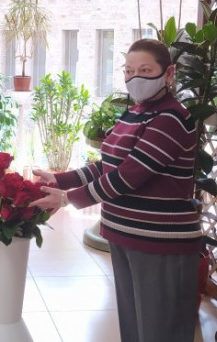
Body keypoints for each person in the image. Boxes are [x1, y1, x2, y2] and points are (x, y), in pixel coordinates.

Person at [30, 38, 200, 342]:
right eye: (129, 70)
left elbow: (129, 175)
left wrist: (69, 199)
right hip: (126, 233)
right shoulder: (135, 112)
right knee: (135, 325)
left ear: (169, 73)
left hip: (159, 240)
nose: (135, 77)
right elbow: (106, 163)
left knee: (160, 329)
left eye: (145, 70)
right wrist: (60, 180)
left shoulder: (171, 118)